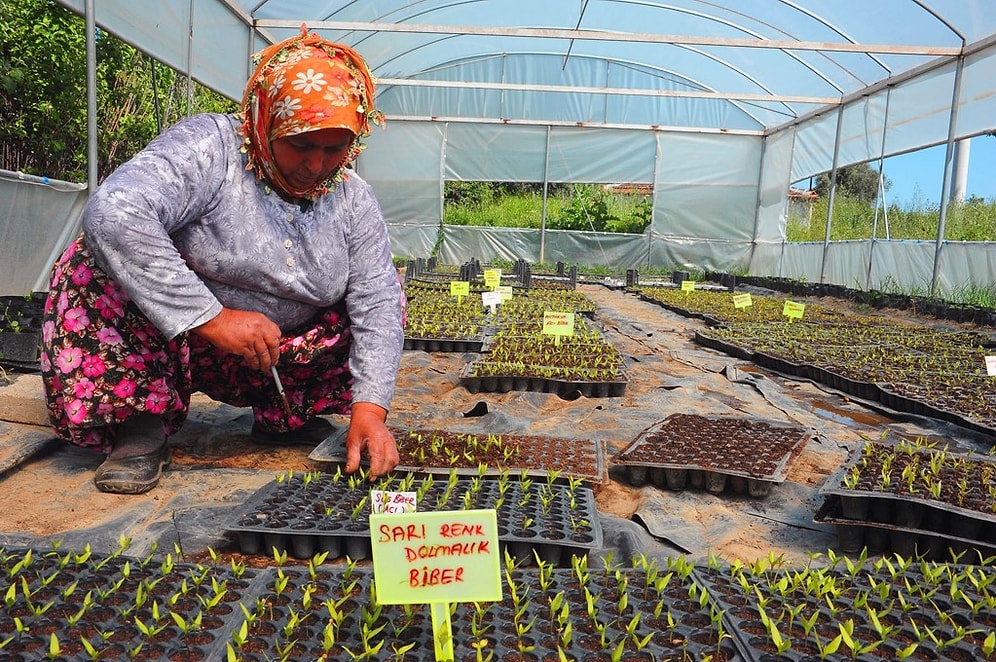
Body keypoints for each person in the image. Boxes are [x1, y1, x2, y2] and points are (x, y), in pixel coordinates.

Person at [39, 26, 404, 494]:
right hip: (179, 341)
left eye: (335, 149)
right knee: (90, 266)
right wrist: (211, 317)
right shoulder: (211, 150)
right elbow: (115, 211)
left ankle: (284, 413)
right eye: (301, 144)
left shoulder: (353, 198)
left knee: (387, 294)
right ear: (265, 121)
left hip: (277, 356)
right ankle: (139, 425)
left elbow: (375, 302)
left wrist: (371, 410)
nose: (316, 166)